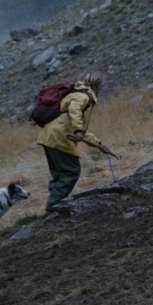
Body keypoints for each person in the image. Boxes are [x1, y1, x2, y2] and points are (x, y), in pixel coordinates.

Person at [37, 72, 112, 212]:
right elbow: (75, 111)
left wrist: (99, 144)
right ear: (95, 85)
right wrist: (77, 129)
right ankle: (55, 203)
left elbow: (82, 130)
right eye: (100, 86)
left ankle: (55, 202)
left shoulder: (74, 93)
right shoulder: (83, 95)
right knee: (71, 171)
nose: (100, 89)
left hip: (48, 136)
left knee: (59, 173)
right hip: (60, 137)